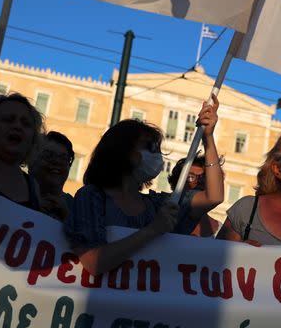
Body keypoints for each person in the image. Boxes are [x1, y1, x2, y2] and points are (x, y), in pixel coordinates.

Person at [66, 96, 222, 275]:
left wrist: (208, 138)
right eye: (149, 147)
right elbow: (93, 263)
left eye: (157, 148)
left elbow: (214, 196)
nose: (157, 155)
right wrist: (153, 230)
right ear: (121, 150)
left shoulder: (158, 204)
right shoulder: (91, 196)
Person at [168, 154, 222, 237]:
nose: (198, 182)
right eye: (190, 177)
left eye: (203, 177)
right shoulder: (163, 220)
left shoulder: (220, 231)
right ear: (176, 184)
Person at [30, 131, 76, 221]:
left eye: (64, 158)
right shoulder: (16, 193)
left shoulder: (75, 207)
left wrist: (67, 216)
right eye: (49, 155)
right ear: (31, 161)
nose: (57, 162)